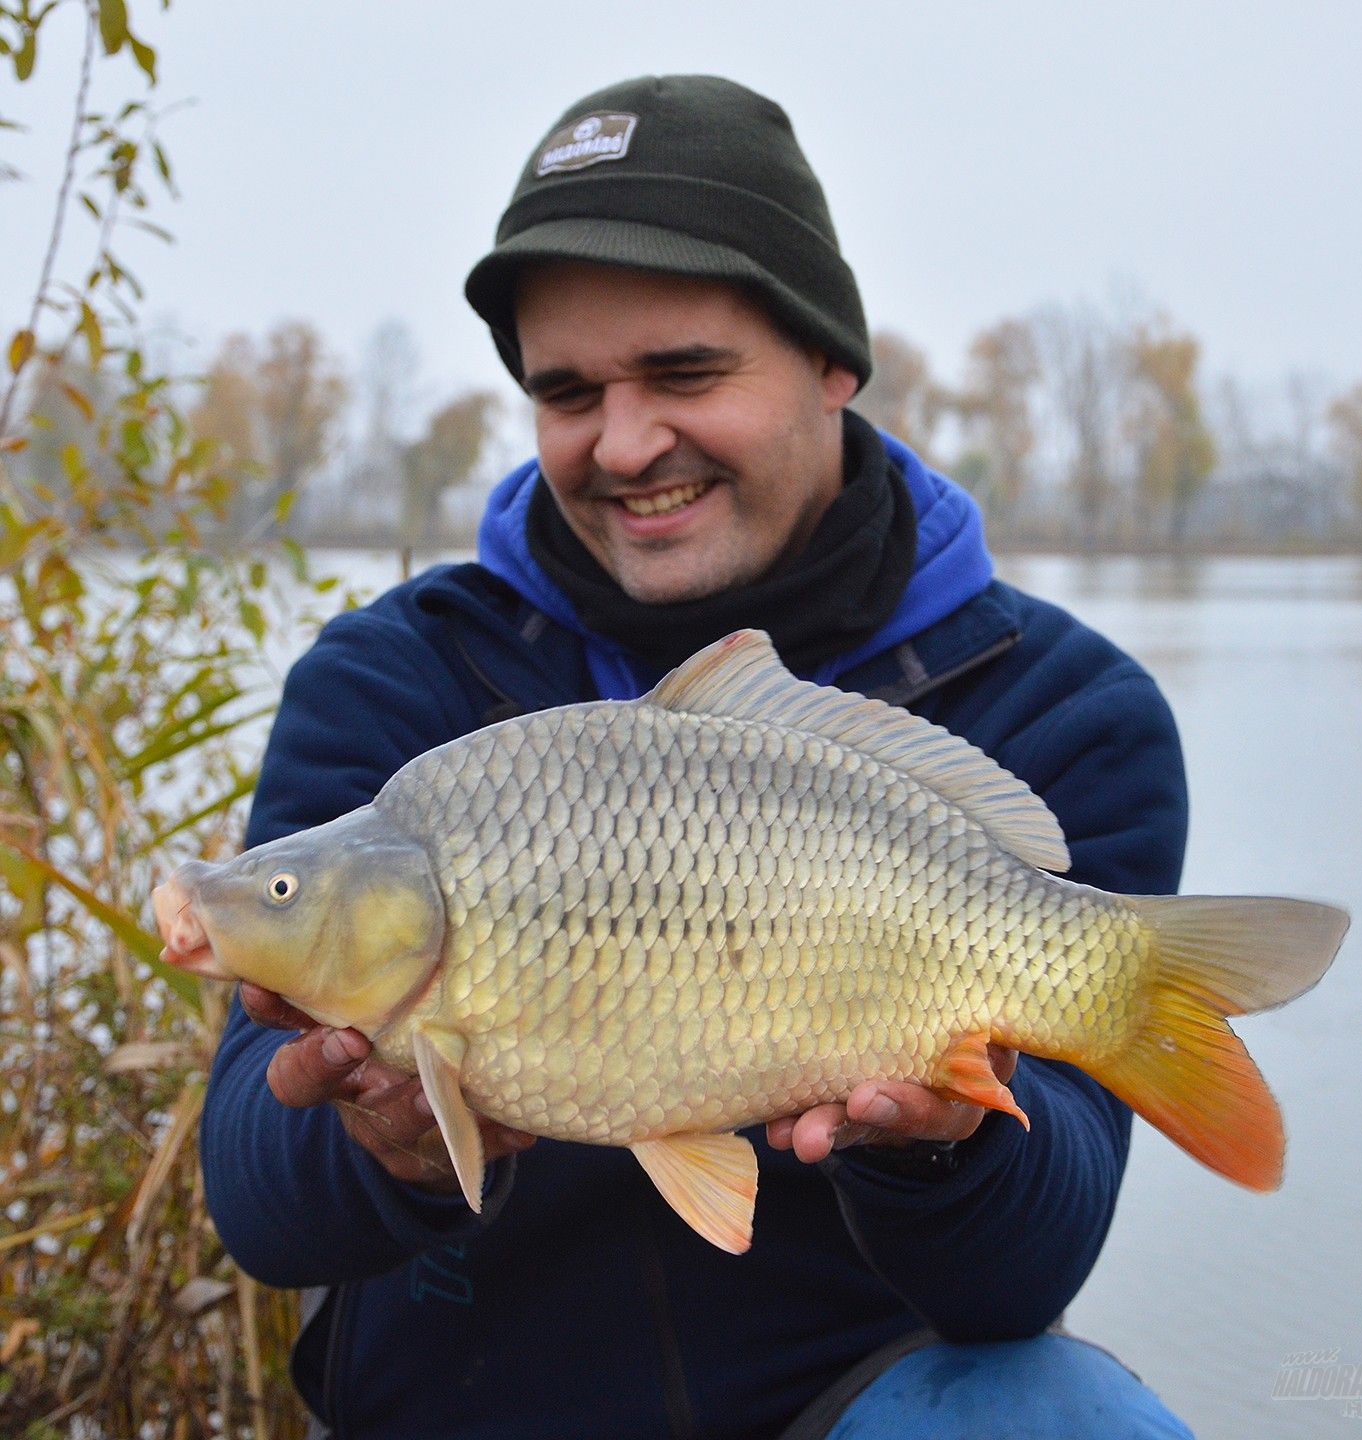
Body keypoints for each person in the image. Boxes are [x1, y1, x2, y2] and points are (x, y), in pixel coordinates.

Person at [200, 75, 1193, 1439]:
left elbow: (1023, 1275)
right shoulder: (396, 682)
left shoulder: (1063, 706)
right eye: (568, 391)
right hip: (458, 1405)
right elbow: (257, 1202)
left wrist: (938, 1142)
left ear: (832, 361)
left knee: (1059, 1415)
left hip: (857, 1398)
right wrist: (389, 1144)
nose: (624, 443)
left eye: (683, 373)